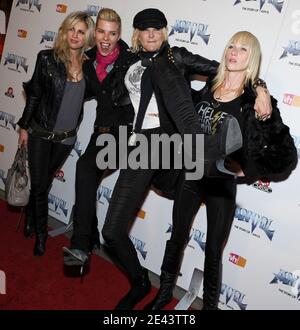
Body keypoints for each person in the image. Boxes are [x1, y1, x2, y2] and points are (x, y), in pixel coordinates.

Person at [101, 9, 271, 310]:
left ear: (165, 31)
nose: (151, 34)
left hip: (179, 153)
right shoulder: (128, 59)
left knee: (212, 248)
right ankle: (157, 290)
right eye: (144, 29)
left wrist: (259, 86)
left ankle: (207, 306)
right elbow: (103, 70)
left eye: (156, 28)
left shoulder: (175, 57)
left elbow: (226, 68)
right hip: (147, 149)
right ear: (137, 33)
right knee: (120, 232)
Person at [145, 31, 296, 311]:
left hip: (220, 184)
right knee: (177, 236)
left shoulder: (255, 99)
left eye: (242, 50)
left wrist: (246, 171)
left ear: (252, 59)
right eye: (231, 46)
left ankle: (210, 307)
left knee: (213, 251)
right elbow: (176, 68)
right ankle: (164, 293)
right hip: (190, 175)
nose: (233, 53)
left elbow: (285, 155)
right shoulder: (209, 85)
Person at [62, 8, 136, 268]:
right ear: (96, 33)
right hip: (101, 133)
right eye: (101, 31)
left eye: (112, 33)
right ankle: (88, 238)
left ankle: (81, 244)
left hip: (126, 136)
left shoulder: (132, 60)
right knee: (86, 172)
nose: (105, 38)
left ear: (119, 35)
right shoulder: (86, 59)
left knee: (85, 167)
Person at [17, 11, 95, 256]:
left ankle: (30, 214)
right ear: (64, 31)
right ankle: (41, 236)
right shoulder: (46, 58)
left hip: (66, 139)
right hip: (40, 132)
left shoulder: (88, 65)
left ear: (87, 37)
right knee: (40, 185)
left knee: (45, 181)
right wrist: (23, 127)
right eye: (72, 29)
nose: (75, 35)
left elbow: (93, 93)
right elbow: (35, 95)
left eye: (81, 31)